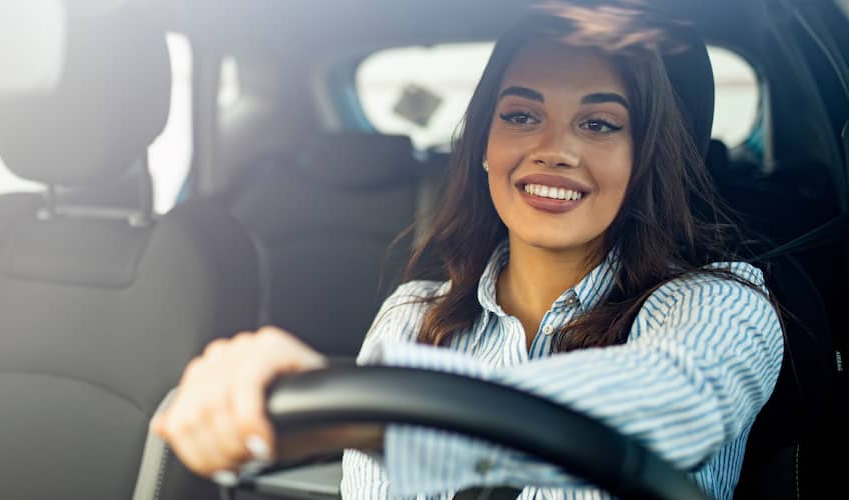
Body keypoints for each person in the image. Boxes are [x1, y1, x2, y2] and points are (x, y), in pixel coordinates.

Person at [151, 3, 784, 499]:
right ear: (483, 143)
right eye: (520, 115)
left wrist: (376, 415)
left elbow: (681, 402)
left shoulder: (722, 304)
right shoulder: (413, 317)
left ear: (644, 157)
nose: (554, 150)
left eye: (598, 124)